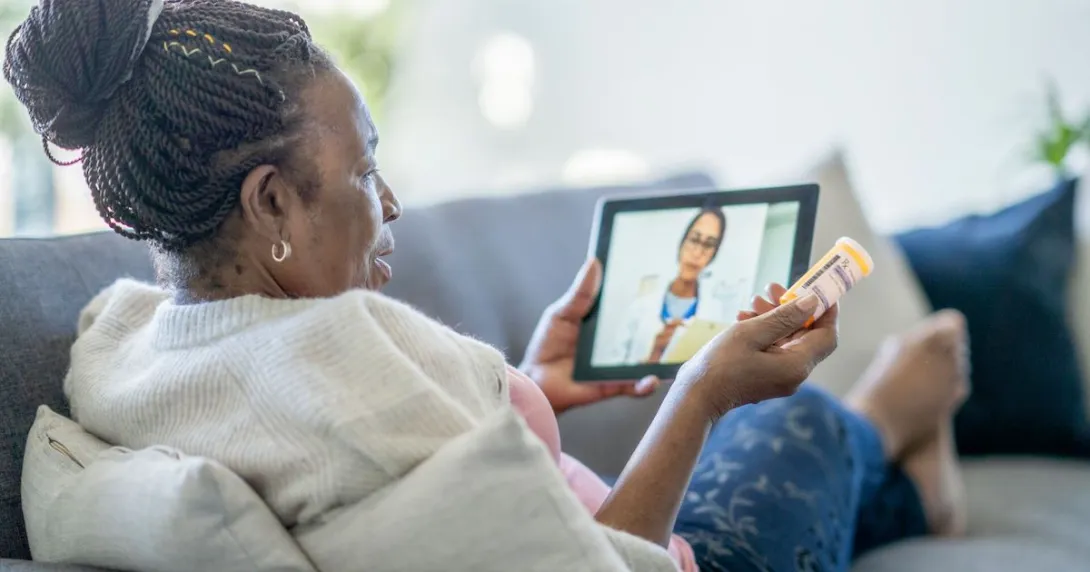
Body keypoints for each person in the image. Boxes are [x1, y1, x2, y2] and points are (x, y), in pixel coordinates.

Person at [5, 1, 970, 570]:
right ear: (269, 206)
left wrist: (529, 388)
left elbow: (435, 484)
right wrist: (703, 394)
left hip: (578, 496)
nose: (390, 203)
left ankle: (911, 490)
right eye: (362, 173)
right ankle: (895, 417)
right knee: (794, 421)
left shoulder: (135, 348)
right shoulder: (342, 382)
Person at [607, 207, 733, 366]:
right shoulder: (640, 306)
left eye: (708, 245)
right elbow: (613, 370)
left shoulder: (716, 312)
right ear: (682, 243)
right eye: (694, 239)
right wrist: (654, 356)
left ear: (713, 254)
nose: (697, 252)